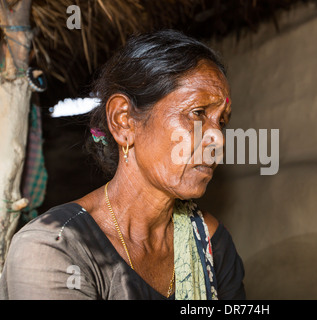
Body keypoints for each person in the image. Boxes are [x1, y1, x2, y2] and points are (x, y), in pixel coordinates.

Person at [0, 30, 245, 300]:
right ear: (124, 121)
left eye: (221, 121)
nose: (217, 139)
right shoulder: (52, 246)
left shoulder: (210, 243)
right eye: (198, 113)